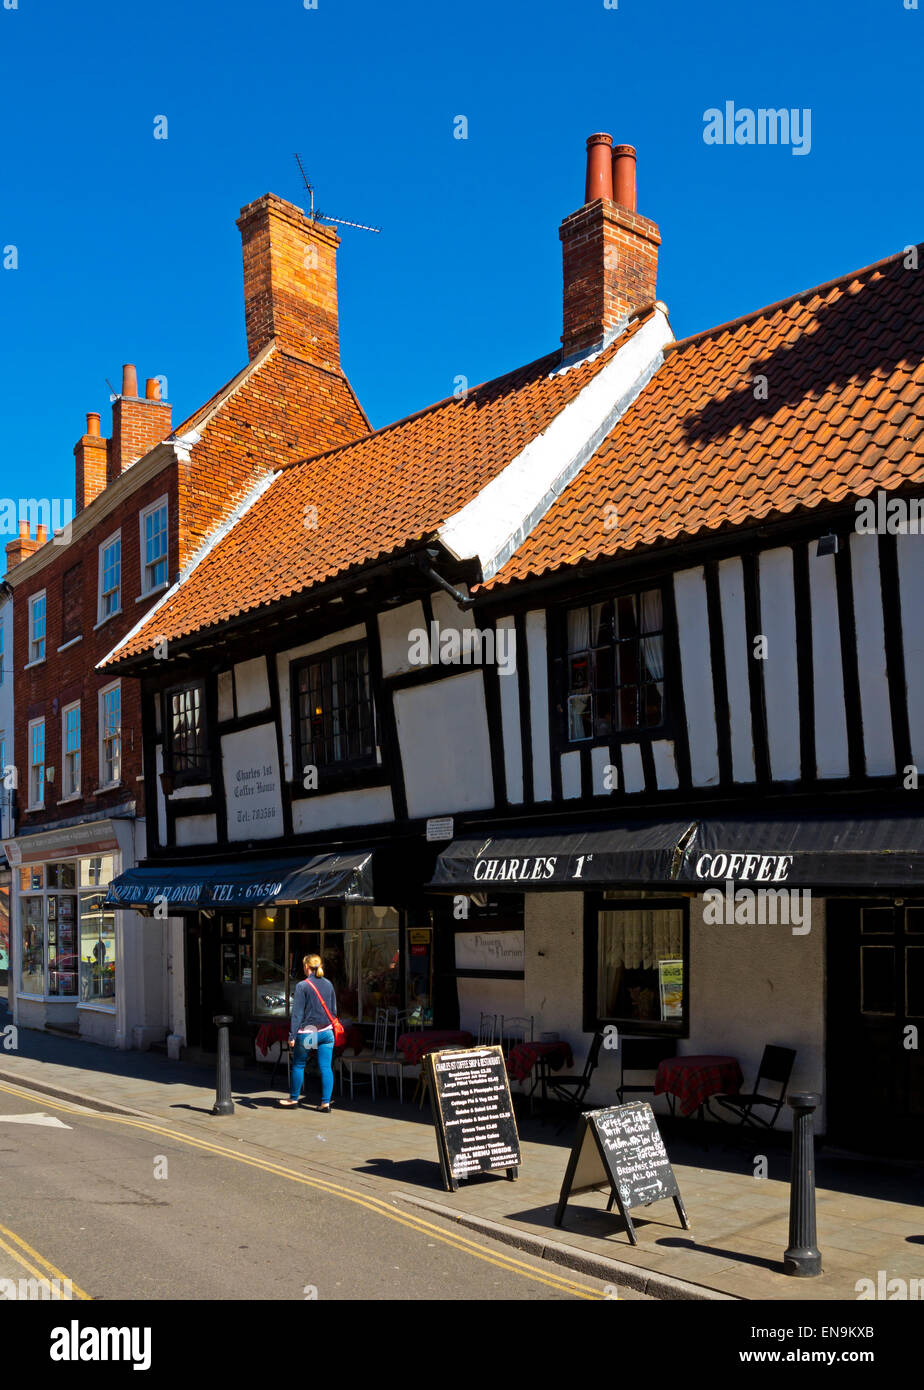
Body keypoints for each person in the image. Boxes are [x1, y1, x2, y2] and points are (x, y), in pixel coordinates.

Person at [280, 954, 336, 1112]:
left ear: (306, 967)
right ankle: (325, 1103)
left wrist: (292, 1036)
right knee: (326, 1067)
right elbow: (334, 1010)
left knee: (299, 1064)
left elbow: (297, 1014)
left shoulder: (302, 986)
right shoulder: (329, 984)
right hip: (327, 1031)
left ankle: (293, 1099)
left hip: (310, 1031)